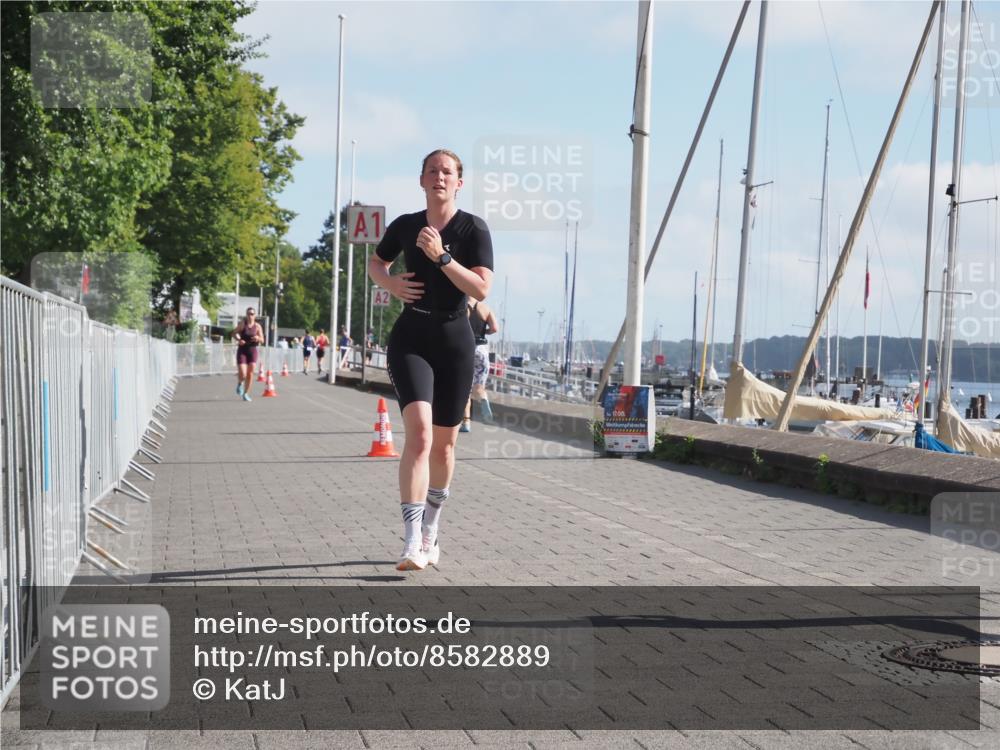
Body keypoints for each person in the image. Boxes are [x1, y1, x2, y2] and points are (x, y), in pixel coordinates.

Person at [368, 148, 493, 571]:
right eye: (432, 171)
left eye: (448, 172)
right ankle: (410, 542)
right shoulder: (405, 225)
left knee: (445, 446)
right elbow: (376, 260)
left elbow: (480, 290)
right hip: (411, 337)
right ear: (421, 180)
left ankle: (431, 530)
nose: (440, 177)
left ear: (459, 182)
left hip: (455, 339)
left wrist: (442, 257)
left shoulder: (473, 228)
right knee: (419, 437)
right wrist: (389, 282)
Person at [460, 299, 500, 432]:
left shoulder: (462, 307)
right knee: (479, 387)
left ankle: (466, 423)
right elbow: (495, 328)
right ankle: (483, 398)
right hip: (482, 350)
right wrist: (485, 332)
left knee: (465, 389)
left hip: (466, 347)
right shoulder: (485, 308)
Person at [233, 308, 263, 401]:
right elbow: (234, 333)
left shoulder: (257, 326)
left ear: (255, 315)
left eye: (252, 314)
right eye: (249, 314)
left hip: (252, 350)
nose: (250, 316)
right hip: (242, 350)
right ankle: (240, 383)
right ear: (246, 315)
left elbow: (263, 340)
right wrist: (239, 339)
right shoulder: (243, 324)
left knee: (250, 373)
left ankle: (246, 393)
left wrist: (258, 338)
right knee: (243, 373)